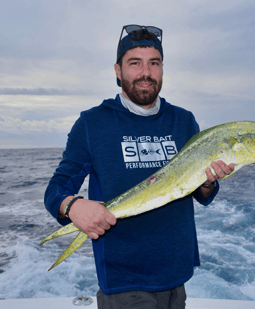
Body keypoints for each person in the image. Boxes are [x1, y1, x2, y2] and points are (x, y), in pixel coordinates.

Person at [44, 24, 235, 309]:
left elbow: (202, 194)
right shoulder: (91, 123)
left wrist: (208, 182)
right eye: (135, 63)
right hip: (125, 282)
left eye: (154, 63)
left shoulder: (184, 121)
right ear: (118, 70)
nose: (146, 72)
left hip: (177, 275)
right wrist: (73, 206)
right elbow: (55, 191)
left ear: (162, 69)